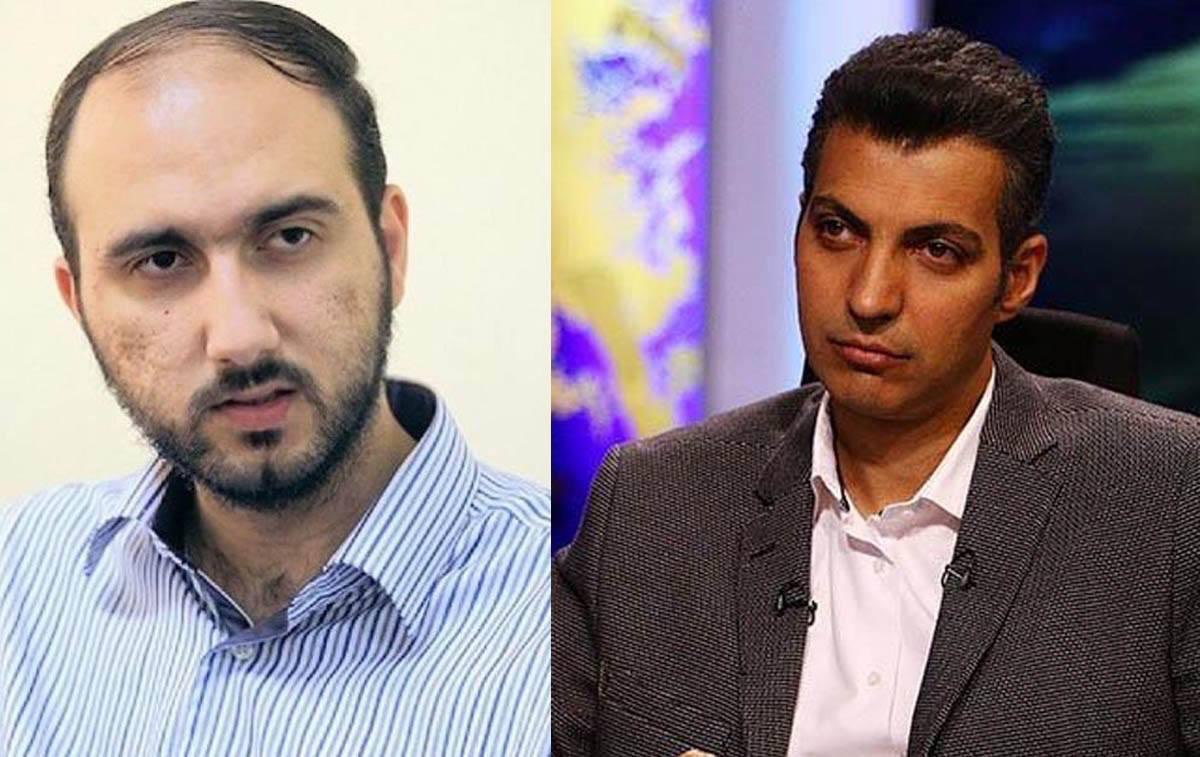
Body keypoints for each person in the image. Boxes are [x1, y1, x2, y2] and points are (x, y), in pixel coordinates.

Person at [553, 27, 1200, 756]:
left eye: (935, 250)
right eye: (838, 230)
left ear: (1016, 278)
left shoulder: (1172, 500)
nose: (868, 296)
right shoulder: (649, 503)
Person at [0, 3, 548, 755]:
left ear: (390, 248)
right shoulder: (17, 584)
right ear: (80, 304)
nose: (239, 338)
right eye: (161, 261)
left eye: (289, 237)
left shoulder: (580, 605)